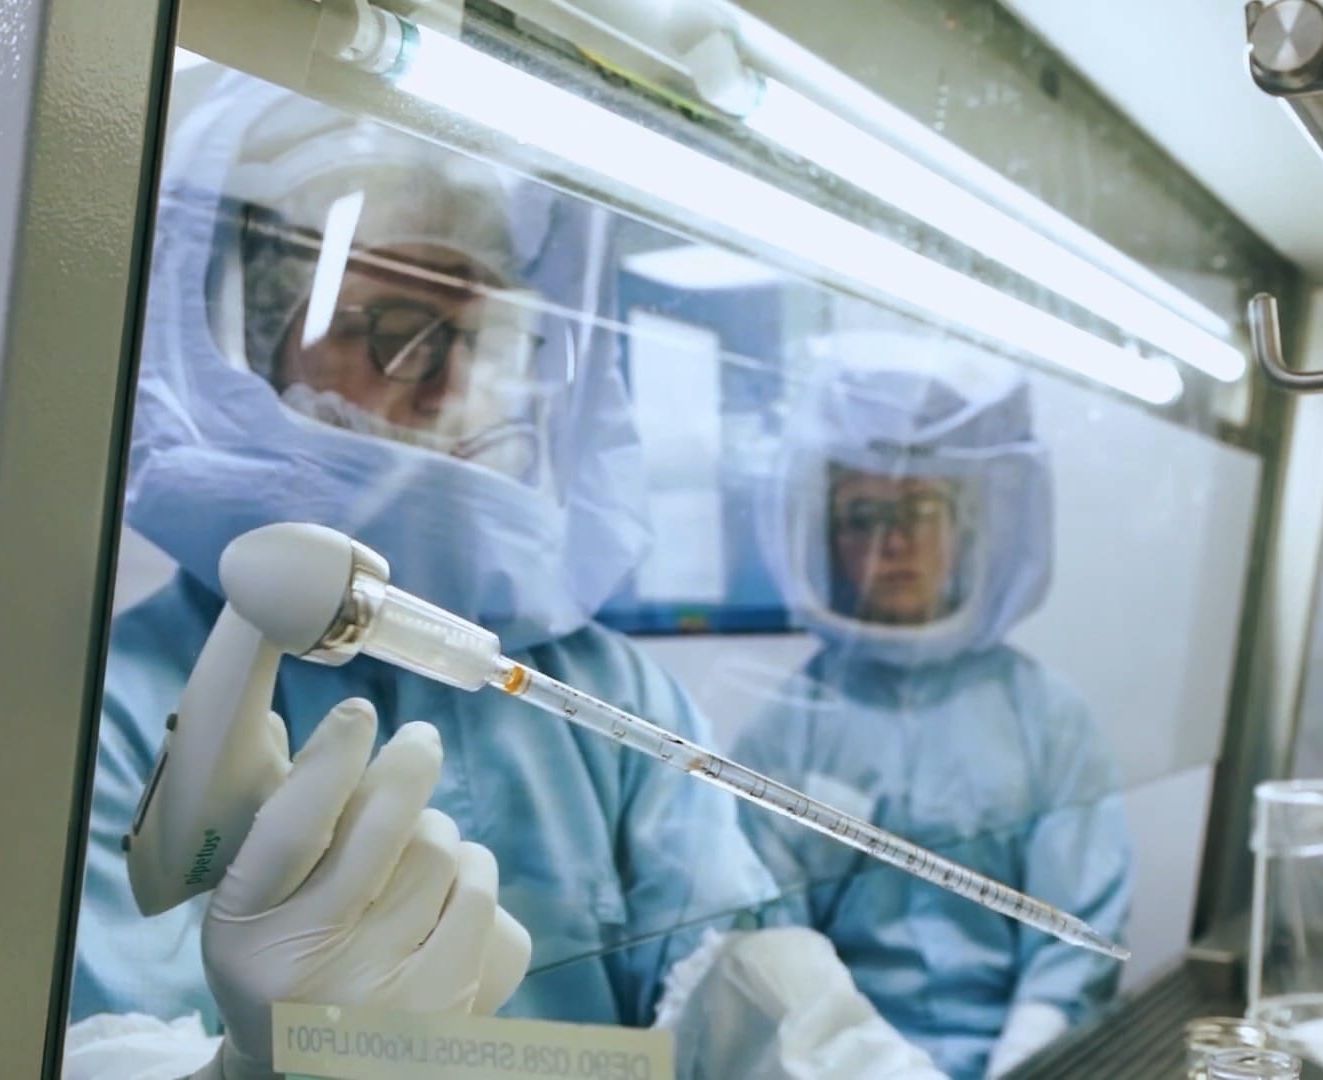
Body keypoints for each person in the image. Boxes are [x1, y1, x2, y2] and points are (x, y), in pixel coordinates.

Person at [64, 73, 941, 1080]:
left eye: (481, 335)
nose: (453, 384)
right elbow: (91, 1046)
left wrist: (791, 1007)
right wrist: (251, 1067)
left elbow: (728, 987)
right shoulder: (116, 705)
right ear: (260, 350)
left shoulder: (616, 691)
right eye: (387, 327)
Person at [735, 333, 1134, 1079]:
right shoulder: (788, 727)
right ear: (825, 533)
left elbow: (1074, 948)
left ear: (972, 526)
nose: (892, 544)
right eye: (861, 516)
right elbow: (770, 947)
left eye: (919, 509)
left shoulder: (1048, 719)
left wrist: (1019, 1066)